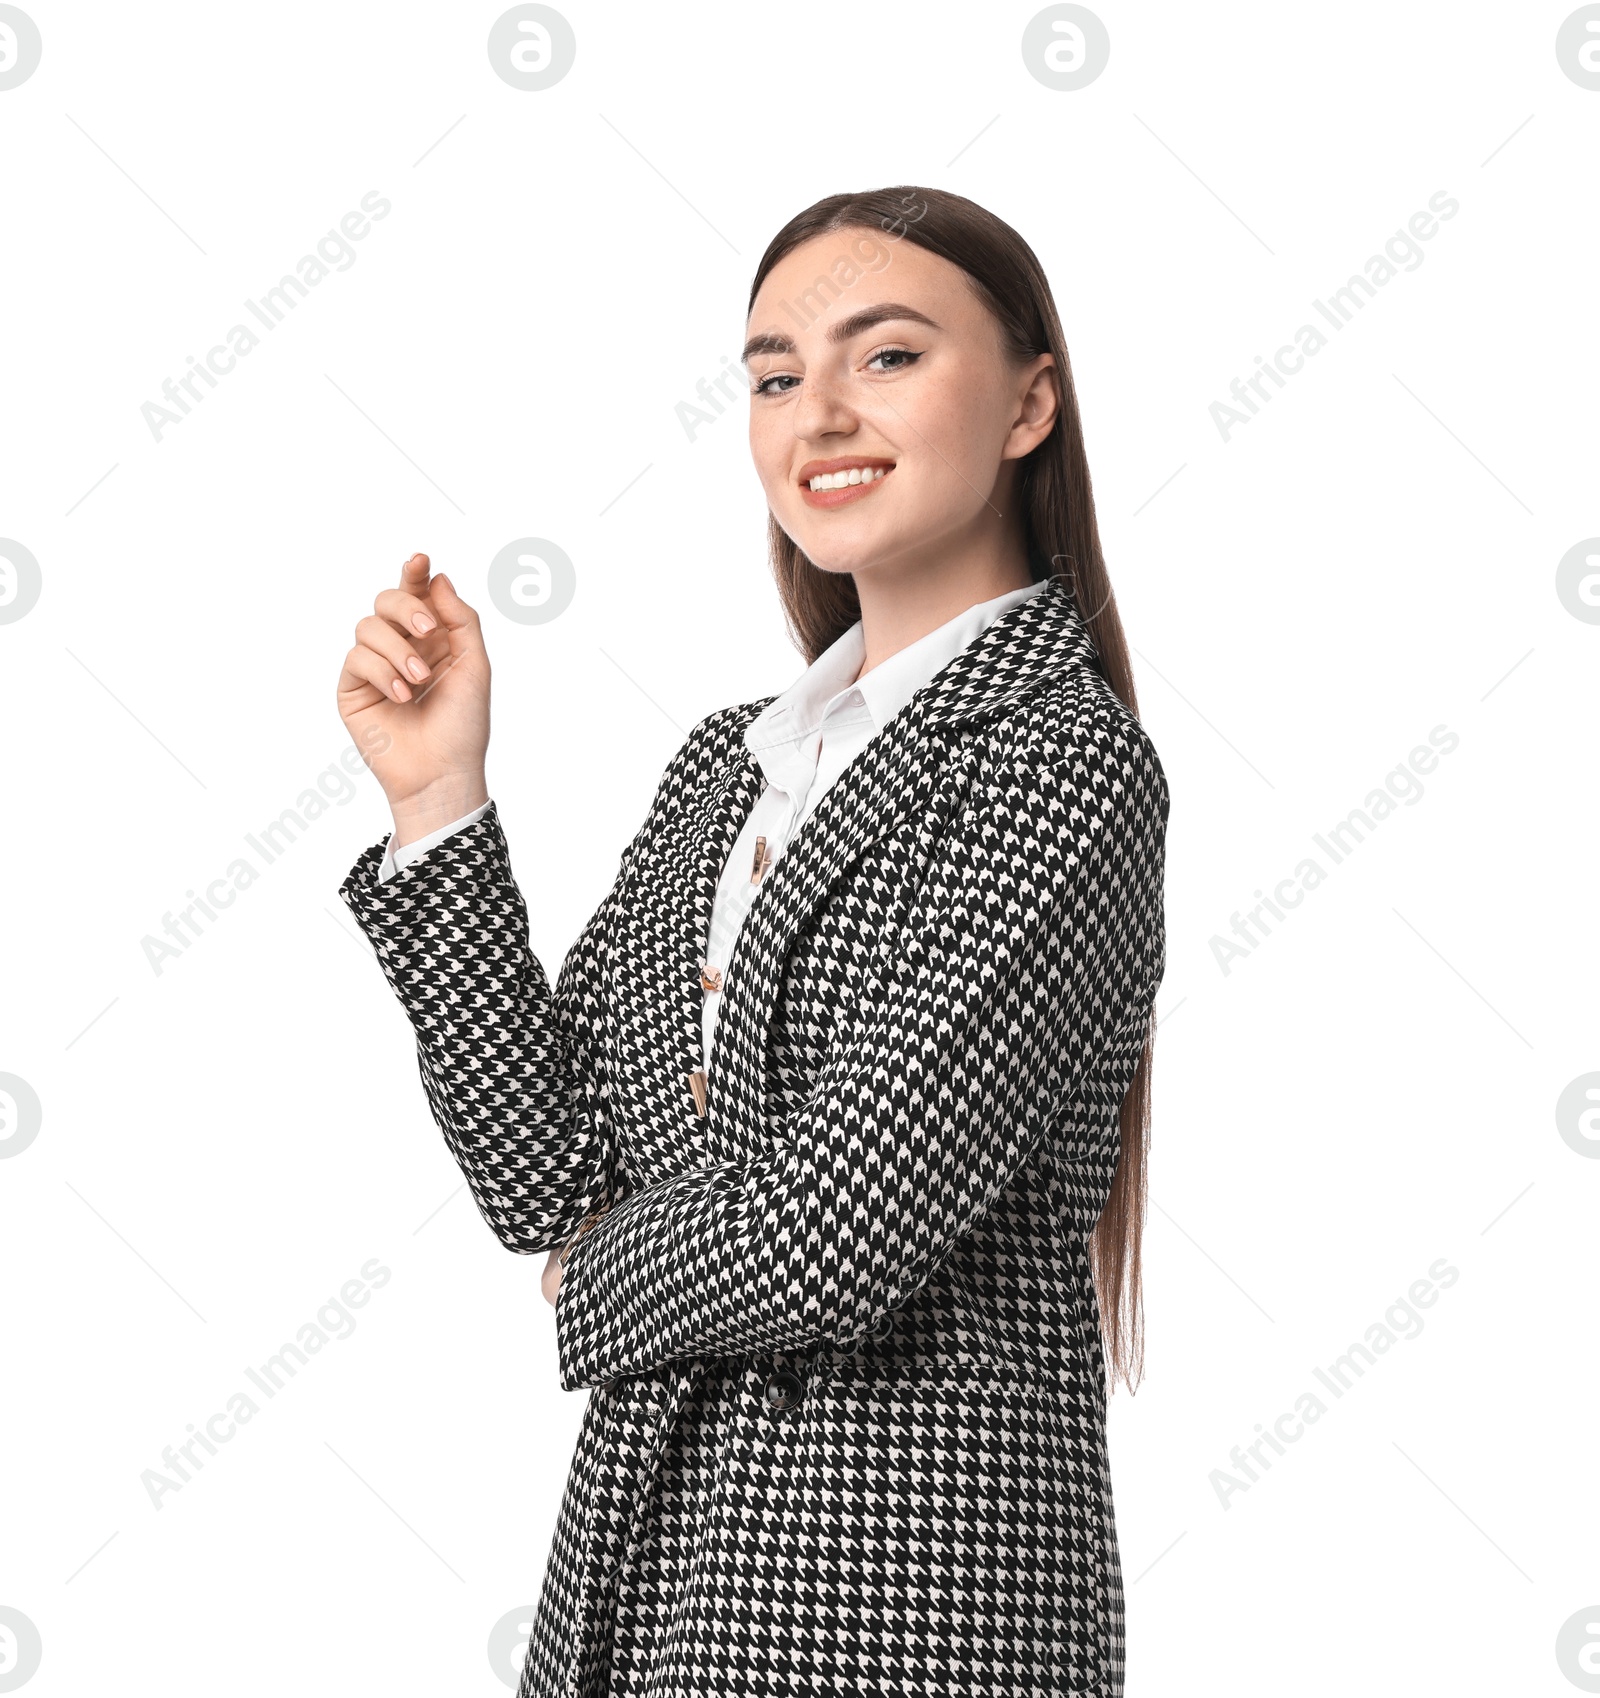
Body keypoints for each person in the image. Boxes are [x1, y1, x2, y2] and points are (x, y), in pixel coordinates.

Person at [335, 185, 1169, 1697]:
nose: (819, 413)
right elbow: (551, 1175)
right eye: (776, 374)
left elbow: (833, 1224)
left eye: (889, 356)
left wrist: (598, 1283)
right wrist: (439, 801)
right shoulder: (734, 763)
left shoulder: (1067, 765)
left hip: (920, 1605)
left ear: (1031, 400)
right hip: (646, 1577)